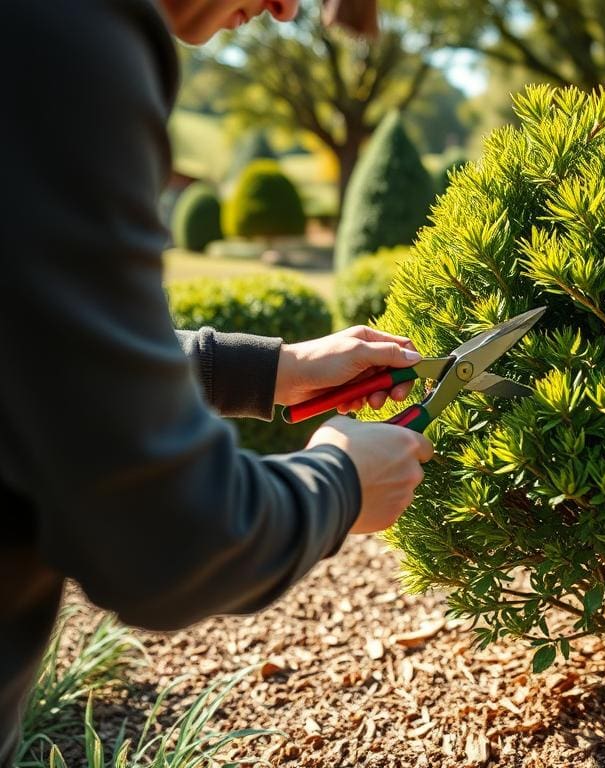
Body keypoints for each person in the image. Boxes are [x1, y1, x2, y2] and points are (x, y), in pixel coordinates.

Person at [0, 0, 430, 763]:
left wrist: (270, 370)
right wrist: (340, 483)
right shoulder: (68, 43)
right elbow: (165, 541)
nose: (287, 9)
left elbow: (37, 350)